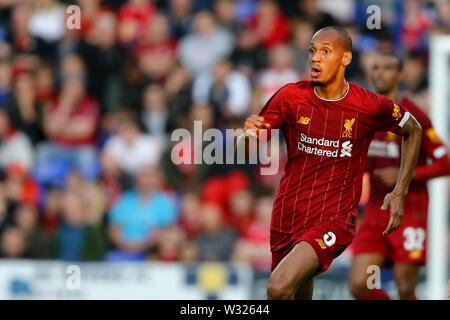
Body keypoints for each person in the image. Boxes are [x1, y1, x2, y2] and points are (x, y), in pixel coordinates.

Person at [237, 26, 422, 300]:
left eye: (325, 51)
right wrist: (247, 136)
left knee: (278, 287)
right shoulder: (290, 97)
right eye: (312, 51)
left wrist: (400, 191)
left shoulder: (368, 105)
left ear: (345, 58)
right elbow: (245, 151)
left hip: (333, 219)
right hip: (286, 217)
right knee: (297, 292)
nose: (316, 58)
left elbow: (413, 129)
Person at [349, 53, 450, 300]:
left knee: (405, 288)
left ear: (401, 75)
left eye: (387, 67)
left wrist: (404, 174)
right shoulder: (364, 117)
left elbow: (445, 163)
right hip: (375, 212)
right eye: (375, 67)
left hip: (409, 210)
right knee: (359, 285)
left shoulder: (415, 116)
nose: (379, 72)